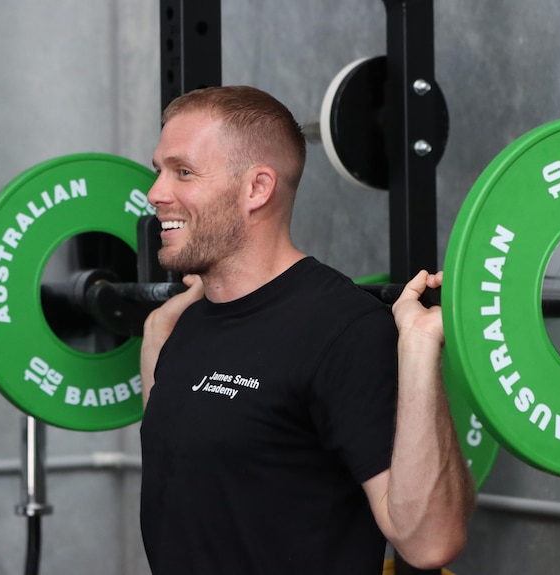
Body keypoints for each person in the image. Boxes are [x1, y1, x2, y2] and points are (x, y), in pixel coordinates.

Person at [138, 85, 474, 575]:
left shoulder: (346, 332)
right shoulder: (184, 325)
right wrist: (155, 337)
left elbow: (430, 542)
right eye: (159, 171)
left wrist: (419, 349)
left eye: (183, 172)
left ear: (257, 188)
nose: (156, 194)